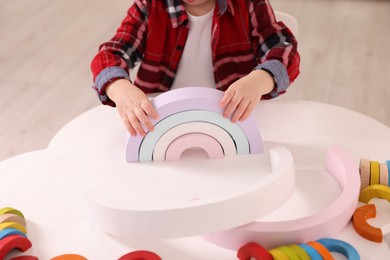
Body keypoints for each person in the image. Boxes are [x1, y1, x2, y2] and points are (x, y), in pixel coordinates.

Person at [90, 0, 300, 137]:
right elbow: (111, 53)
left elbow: (283, 48)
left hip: (232, 124)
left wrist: (261, 79)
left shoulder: (249, 4)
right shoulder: (149, 6)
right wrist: (118, 87)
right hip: (160, 128)